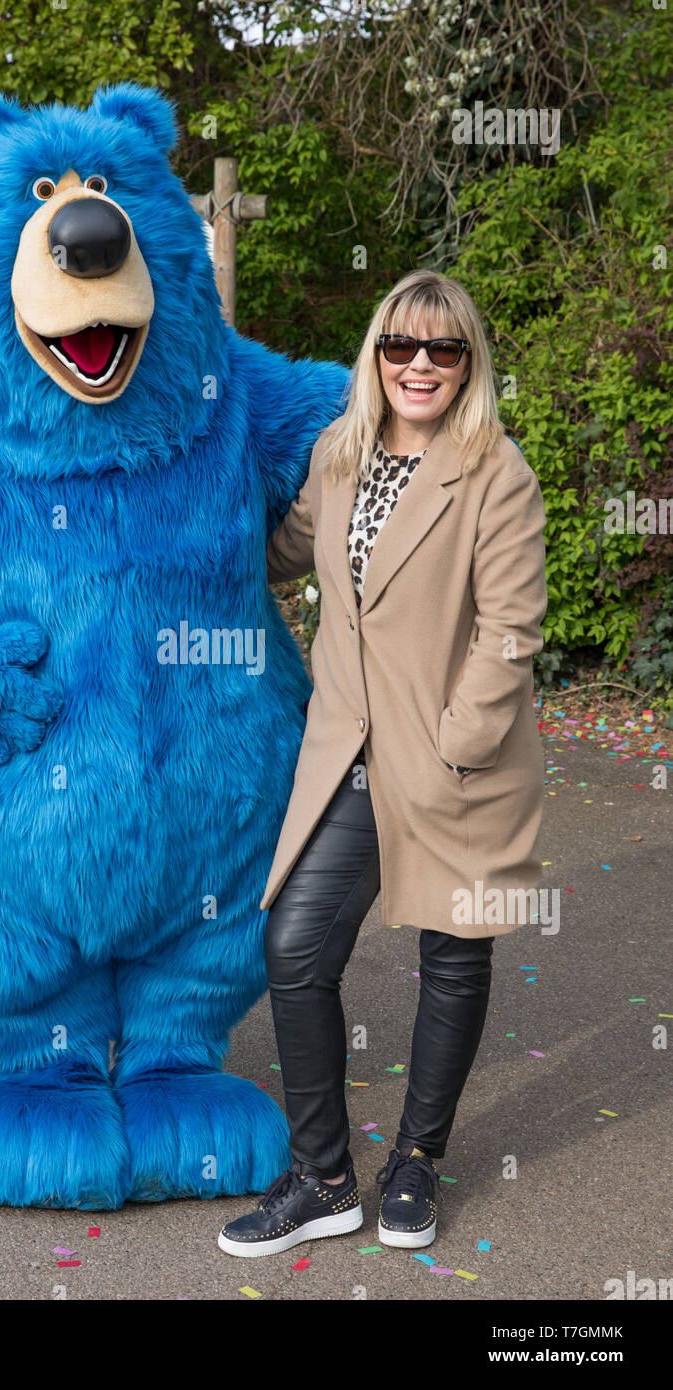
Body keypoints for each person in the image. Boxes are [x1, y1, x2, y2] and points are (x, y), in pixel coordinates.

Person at [218, 269, 548, 1258]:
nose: (417, 364)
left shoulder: (497, 473)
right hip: (349, 754)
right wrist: (191, 502)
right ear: (374, 353)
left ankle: (413, 1159)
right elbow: (282, 551)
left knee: (450, 956)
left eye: (441, 350)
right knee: (295, 947)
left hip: (458, 759)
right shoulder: (340, 455)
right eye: (399, 345)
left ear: (466, 363)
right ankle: (322, 1176)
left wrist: (452, 747)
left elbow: (509, 631)